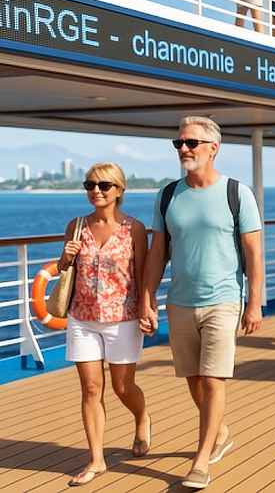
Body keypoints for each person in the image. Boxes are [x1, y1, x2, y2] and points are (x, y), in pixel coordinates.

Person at [140, 116, 264, 490]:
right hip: (179, 302)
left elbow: (254, 252)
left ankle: (201, 460)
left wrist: (255, 301)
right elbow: (157, 252)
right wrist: (147, 299)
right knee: (193, 379)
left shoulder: (237, 193)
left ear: (213, 148)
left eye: (191, 143)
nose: (183, 150)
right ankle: (221, 432)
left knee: (213, 380)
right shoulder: (167, 195)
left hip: (223, 300)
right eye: (179, 143)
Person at [60, 163, 151, 487]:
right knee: (90, 388)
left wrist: (147, 308)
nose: (95, 191)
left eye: (103, 185)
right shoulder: (76, 226)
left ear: (119, 190)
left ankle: (141, 417)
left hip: (122, 319)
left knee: (122, 387)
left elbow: (143, 273)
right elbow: (64, 269)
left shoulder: (134, 228)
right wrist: (65, 257)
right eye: (89, 185)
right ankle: (96, 459)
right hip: (82, 318)